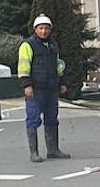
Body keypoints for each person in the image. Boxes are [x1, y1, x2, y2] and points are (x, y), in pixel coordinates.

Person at [17, 14, 70, 163]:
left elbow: (58, 66)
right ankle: (34, 152)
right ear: (35, 29)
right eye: (41, 28)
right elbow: (23, 66)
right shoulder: (28, 45)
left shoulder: (53, 46)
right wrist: (26, 84)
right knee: (33, 119)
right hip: (35, 89)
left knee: (52, 119)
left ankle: (53, 150)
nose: (44, 31)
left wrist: (62, 83)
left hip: (51, 88)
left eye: (46, 28)